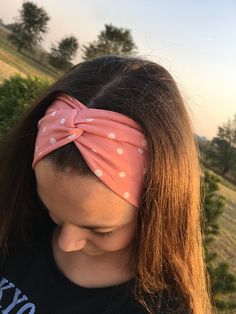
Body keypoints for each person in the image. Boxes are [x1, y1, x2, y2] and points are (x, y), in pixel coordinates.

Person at [0, 55, 215, 314]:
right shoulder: (14, 217)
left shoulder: (157, 308)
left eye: (100, 231)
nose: (66, 243)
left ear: (157, 212)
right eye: (52, 213)